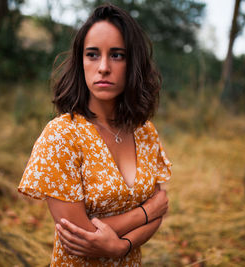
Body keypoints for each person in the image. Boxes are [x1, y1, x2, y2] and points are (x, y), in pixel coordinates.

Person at [18, 3, 172, 266]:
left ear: (132, 62)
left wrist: (122, 247)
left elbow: (158, 217)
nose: (103, 67)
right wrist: (145, 212)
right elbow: (80, 235)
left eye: (117, 55)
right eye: (92, 54)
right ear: (81, 62)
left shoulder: (145, 131)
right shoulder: (62, 136)